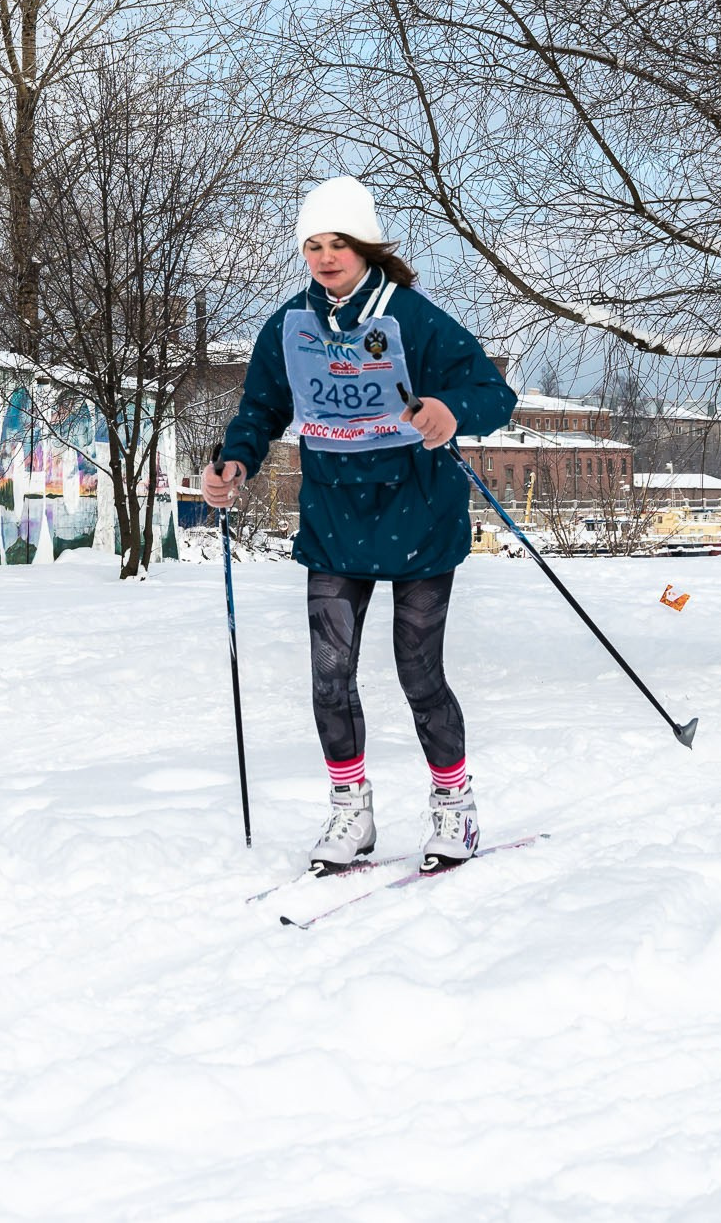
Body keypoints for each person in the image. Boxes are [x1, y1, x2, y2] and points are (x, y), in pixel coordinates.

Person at [202, 176, 516, 872]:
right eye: (312, 244)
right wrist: (233, 463)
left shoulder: (412, 318)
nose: (324, 255)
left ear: (365, 245)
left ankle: (454, 808)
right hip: (336, 518)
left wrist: (449, 411)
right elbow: (259, 411)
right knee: (329, 676)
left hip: (419, 513)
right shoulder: (291, 323)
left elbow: (495, 393)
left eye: (337, 241)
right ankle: (351, 814)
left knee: (418, 673)